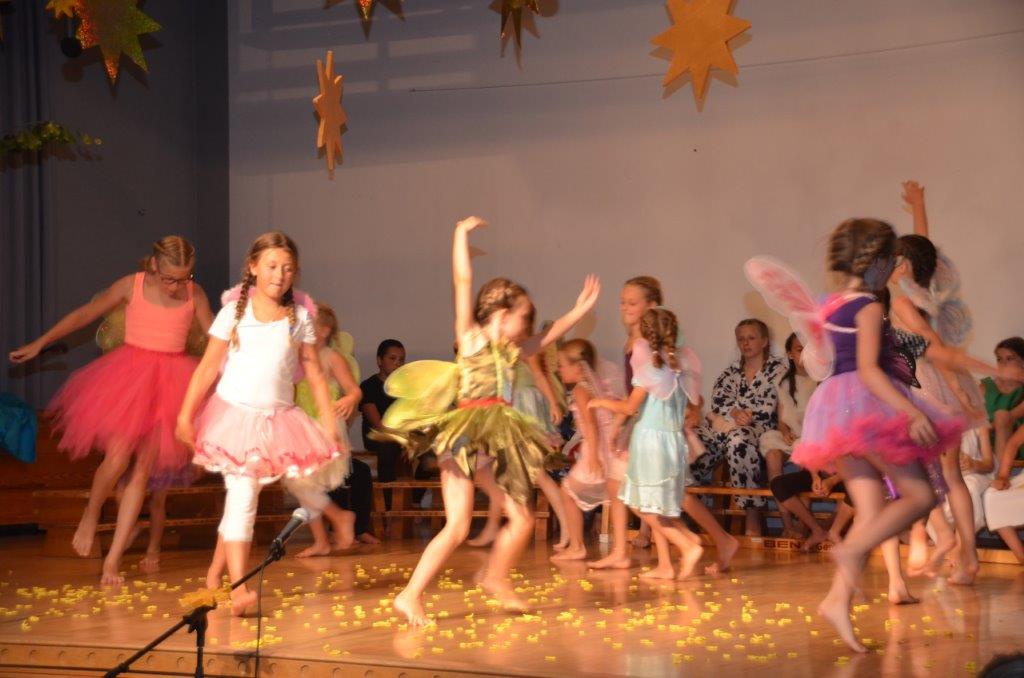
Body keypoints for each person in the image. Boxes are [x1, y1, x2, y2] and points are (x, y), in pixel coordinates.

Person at [375, 216, 599, 627]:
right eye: (523, 317)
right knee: (458, 526)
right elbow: (462, 281)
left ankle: (495, 577)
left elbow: (548, 338)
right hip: (464, 442)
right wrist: (459, 235)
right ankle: (410, 595)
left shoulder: (513, 351)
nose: (526, 327)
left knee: (523, 518)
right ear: (500, 313)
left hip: (492, 444)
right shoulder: (471, 338)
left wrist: (579, 309)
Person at [751, 218, 963, 653]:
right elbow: (868, 369)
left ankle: (837, 601)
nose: (894, 268)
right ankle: (848, 552)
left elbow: (824, 363)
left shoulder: (830, 304)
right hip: (867, 407)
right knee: (919, 495)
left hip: (834, 410)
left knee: (869, 513)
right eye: (891, 259)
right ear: (877, 261)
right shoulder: (868, 306)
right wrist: (909, 410)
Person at [9, 236, 214, 585]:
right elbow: (85, 314)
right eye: (169, 279)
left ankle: (113, 561)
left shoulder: (195, 295)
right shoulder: (131, 285)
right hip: (130, 380)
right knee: (117, 459)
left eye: (184, 279)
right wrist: (42, 342)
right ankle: (91, 513)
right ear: (154, 265)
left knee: (142, 471)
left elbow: (216, 336)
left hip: (171, 386)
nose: (176, 286)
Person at [176, 232, 343, 616]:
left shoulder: (299, 318)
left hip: (278, 421)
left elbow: (315, 375)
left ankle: (214, 576)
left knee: (242, 496)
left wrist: (328, 422)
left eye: (287, 269)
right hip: (235, 419)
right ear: (252, 267)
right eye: (271, 266)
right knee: (243, 497)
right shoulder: (233, 315)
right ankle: (239, 589)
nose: (279, 275)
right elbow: (206, 369)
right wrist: (185, 414)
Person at [590, 307, 705, 580]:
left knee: (639, 503)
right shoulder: (678, 368)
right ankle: (666, 564)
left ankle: (686, 545)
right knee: (656, 504)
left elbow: (630, 407)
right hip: (672, 441)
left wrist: (601, 401)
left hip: (651, 442)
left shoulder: (649, 370)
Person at [690, 319, 786, 536]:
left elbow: (776, 405)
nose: (745, 343)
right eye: (741, 339)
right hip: (725, 427)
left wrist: (746, 415)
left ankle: (752, 515)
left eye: (751, 338)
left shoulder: (778, 370)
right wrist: (734, 412)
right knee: (692, 438)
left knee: (739, 439)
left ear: (764, 341)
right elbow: (718, 400)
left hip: (761, 430)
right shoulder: (731, 371)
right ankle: (691, 508)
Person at [759, 333, 818, 538]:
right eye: (800, 350)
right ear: (790, 354)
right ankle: (786, 522)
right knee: (772, 453)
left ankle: (803, 523)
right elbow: (782, 418)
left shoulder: (820, 380)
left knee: (805, 452)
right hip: (791, 434)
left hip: (812, 437)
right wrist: (784, 432)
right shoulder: (784, 381)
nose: (805, 354)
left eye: (809, 349)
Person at [360, 340, 406, 507]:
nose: (397, 363)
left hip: (402, 435)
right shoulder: (368, 386)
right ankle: (387, 506)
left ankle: (416, 500)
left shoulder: (406, 387)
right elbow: (378, 425)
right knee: (388, 447)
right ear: (380, 360)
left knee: (429, 450)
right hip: (377, 437)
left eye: (401, 360)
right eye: (392, 358)